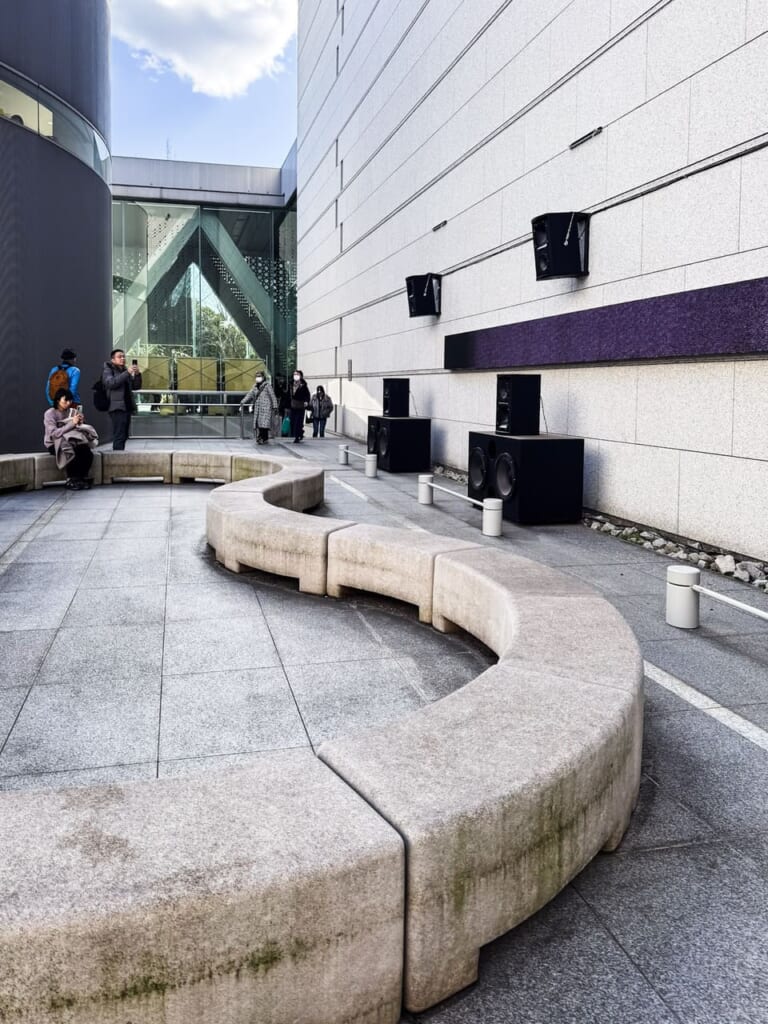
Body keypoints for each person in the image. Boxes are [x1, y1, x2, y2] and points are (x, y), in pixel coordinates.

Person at [43, 388, 97, 489]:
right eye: (65, 400)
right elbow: (54, 433)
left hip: (73, 440)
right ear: (58, 400)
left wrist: (81, 422)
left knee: (87, 452)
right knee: (72, 452)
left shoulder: (72, 412)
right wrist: (72, 423)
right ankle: (71, 480)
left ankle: (80, 479)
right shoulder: (50, 413)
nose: (68, 403)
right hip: (54, 443)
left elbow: (77, 429)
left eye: (70, 401)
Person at [102, 348, 142, 450]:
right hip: (117, 407)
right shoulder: (108, 369)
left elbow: (136, 386)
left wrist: (137, 375)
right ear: (113, 360)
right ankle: (116, 458)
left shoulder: (125, 371)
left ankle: (119, 454)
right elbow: (111, 383)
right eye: (119, 357)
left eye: (124, 356)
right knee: (119, 435)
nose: (123, 359)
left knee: (124, 435)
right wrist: (126, 373)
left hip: (126, 407)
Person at [240, 371, 278, 445]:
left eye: (259, 376)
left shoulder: (267, 386)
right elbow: (249, 395)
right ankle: (263, 437)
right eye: (257, 376)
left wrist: (275, 406)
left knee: (264, 424)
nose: (258, 377)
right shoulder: (255, 386)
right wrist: (242, 402)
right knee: (259, 424)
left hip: (266, 408)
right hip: (258, 408)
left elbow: (273, 396)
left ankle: (263, 437)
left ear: (263, 377)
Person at [285, 369, 310, 444]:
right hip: (293, 406)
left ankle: (297, 437)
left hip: (300, 406)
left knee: (298, 422)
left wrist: (306, 401)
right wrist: (286, 405)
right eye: (294, 374)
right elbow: (288, 395)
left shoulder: (303, 385)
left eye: (297, 374)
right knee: (293, 422)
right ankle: (300, 433)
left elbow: (307, 395)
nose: (295, 376)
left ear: (301, 376)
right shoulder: (290, 384)